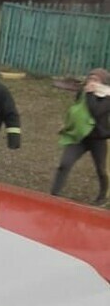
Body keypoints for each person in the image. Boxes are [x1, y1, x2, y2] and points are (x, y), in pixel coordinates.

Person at [50, 67, 110, 205]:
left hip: (98, 138)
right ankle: (54, 193)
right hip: (79, 137)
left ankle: (102, 196)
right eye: (90, 78)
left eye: (96, 80)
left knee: (101, 169)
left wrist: (90, 94)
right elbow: (76, 111)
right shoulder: (82, 93)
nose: (91, 82)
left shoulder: (107, 97)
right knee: (65, 163)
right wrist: (68, 125)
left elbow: (96, 111)